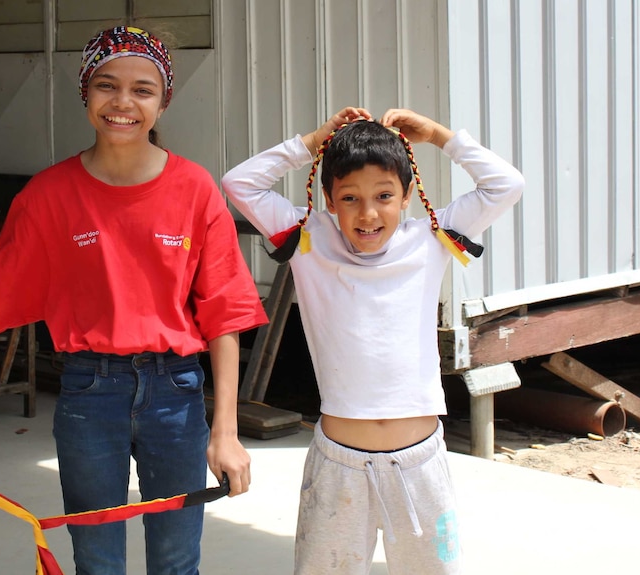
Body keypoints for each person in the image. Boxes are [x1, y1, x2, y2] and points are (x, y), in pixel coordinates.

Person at [0, 25, 267, 575]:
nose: (123, 102)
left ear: (164, 101)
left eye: (143, 89)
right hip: (89, 394)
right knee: (96, 562)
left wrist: (226, 432)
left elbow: (223, 315)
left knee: (176, 560)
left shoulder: (195, 189)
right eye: (106, 85)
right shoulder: (47, 196)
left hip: (175, 394)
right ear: (85, 92)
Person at [222, 106, 524, 574]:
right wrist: (312, 140)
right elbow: (239, 184)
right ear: (327, 197)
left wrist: (440, 136)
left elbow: (507, 184)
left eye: (384, 195)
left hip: (420, 466)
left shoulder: (434, 237)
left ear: (407, 196)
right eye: (349, 198)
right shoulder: (307, 239)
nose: (367, 214)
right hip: (338, 466)